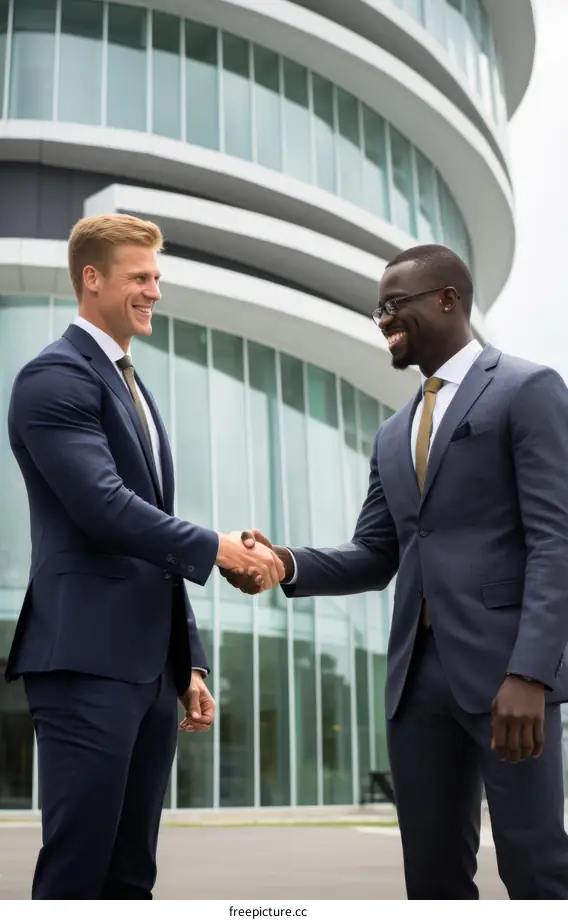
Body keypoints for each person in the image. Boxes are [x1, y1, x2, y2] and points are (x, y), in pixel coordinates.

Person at [224, 243, 568, 899]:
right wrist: (283, 563)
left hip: (508, 674)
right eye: (378, 308)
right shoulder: (392, 432)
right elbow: (377, 554)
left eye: (395, 304)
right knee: (432, 879)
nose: (382, 318)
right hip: (417, 681)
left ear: (448, 299)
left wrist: (532, 672)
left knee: (537, 869)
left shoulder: (527, 390)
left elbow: (557, 540)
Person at [6, 213, 284, 899]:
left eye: (157, 277)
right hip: (85, 666)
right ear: (92, 279)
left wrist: (186, 658)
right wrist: (218, 547)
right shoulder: (53, 379)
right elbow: (105, 507)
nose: (155, 291)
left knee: (133, 877)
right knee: (78, 873)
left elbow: (149, 535)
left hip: (148, 674)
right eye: (140, 277)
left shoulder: (134, 385)